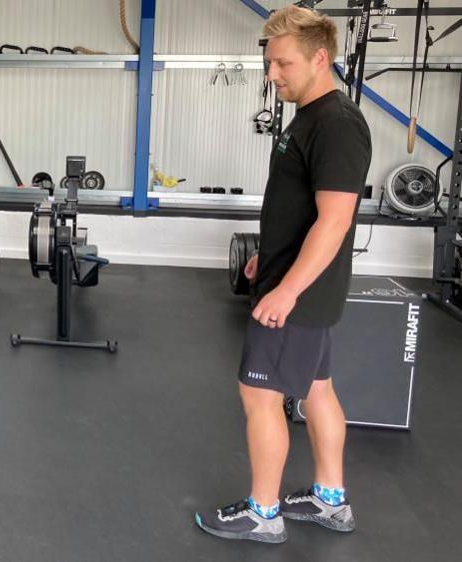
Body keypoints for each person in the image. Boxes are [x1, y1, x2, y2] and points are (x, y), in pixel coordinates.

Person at [195, 6, 371, 544]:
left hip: (299, 295)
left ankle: (263, 512)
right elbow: (300, 209)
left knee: (261, 396)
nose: (272, 75)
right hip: (297, 283)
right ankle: (330, 499)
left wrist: (287, 288)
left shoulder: (337, 124)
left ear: (321, 58)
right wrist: (267, 256)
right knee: (317, 391)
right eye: (269, 64)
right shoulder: (310, 116)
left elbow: (336, 219)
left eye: (282, 64)